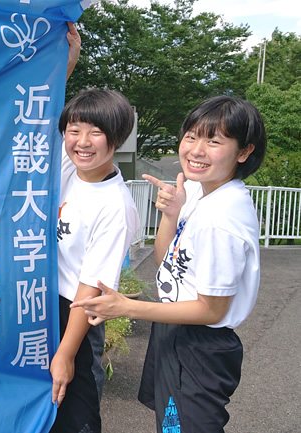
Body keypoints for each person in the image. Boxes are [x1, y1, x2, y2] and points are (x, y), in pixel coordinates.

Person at [72, 95, 267, 432]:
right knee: (170, 424)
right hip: (175, 333)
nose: (196, 150)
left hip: (199, 346)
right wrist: (171, 214)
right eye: (191, 136)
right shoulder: (200, 193)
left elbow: (211, 310)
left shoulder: (222, 218)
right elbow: (168, 265)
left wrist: (126, 308)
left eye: (214, 141)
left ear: (244, 151)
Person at [49, 88, 140, 432]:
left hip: (76, 321)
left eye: (96, 132)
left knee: (74, 415)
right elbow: (47, 118)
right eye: (74, 131)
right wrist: (65, 67)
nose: (82, 142)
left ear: (116, 138)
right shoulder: (71, 169)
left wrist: (66, 353)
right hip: (41, 308)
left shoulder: (115, 206)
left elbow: (90, 291)